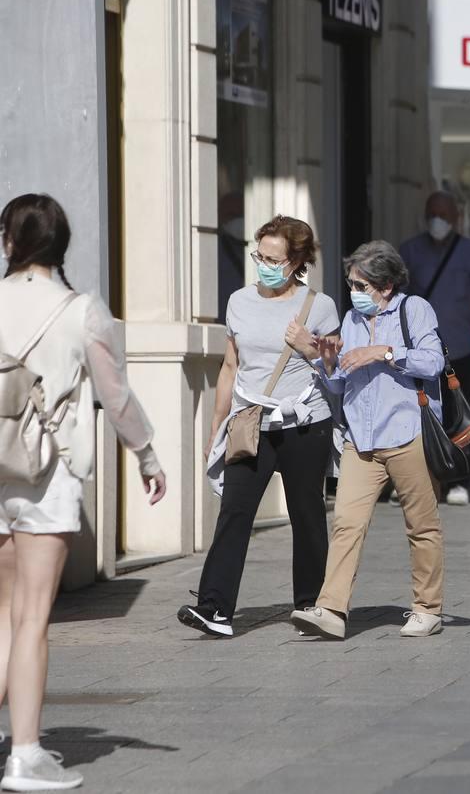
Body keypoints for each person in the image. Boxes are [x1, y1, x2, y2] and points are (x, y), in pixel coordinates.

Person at [0, 194, 166, 790]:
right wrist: (146, 454)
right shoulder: (80, 309)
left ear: (9, 240)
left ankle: (20, 745)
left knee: (1, 614)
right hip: (48, 475)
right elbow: (114, 395)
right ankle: (24, 754)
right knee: (32, 618)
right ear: (60, 244)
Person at [181, 217, 340, 639]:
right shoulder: (238, 302)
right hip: (251, 422)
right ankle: (214, 608)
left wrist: (311, 348)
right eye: (260, 256)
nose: (264, 265)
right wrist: (217, 425)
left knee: (306, 515)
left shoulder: (318, 307)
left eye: (274, 259)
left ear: (296, 262)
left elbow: (337, 372)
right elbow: (230, 366)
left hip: (306, 424)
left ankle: (312, 605)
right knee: (234, 511)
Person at [289, 241, 447, 641]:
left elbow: (433, 361)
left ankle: (427, 609)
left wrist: (384, 352)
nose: (354, 292)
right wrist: (324, 361)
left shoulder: (414, 310)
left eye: (362, 285)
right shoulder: (352, 320)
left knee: (421, 526)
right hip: (360, 438)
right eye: (351, 284)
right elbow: (340, 382)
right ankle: (331, 609)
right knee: (346, 523)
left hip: (407, 432)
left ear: (387, 286)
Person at [400, 191, 470, 506]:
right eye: (432, 214)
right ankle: (421, 478)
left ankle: (459, 479)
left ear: (455, 217)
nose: (437, 221)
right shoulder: (410, 251)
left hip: (459, 348)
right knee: (420, 413)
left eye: (443, 214)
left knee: (460, 414)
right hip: (417, 352)